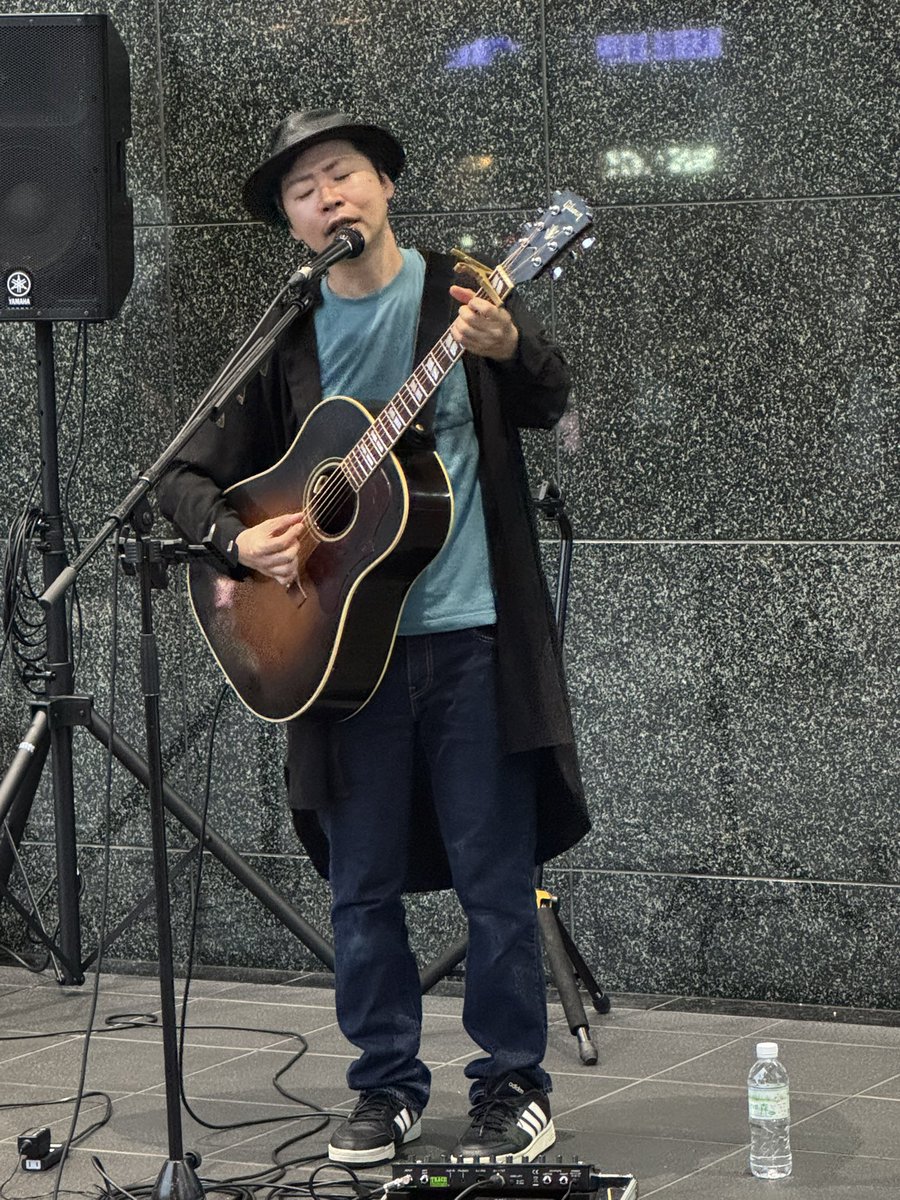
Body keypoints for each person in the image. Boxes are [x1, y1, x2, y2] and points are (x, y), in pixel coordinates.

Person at [157, 109, 589, 1167]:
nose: (327, 198)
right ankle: (385, 1085)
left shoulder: (463, 291)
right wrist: (236, 539)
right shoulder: (289, 334)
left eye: (341, 174)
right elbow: (182, 474)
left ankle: (511, 1086)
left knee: (495, 879)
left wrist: (513, 345)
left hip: (473, 638)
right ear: (293, 226)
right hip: (341, 661)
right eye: (303, 192)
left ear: (385, 185)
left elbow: (551, 398)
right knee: (361, 888)